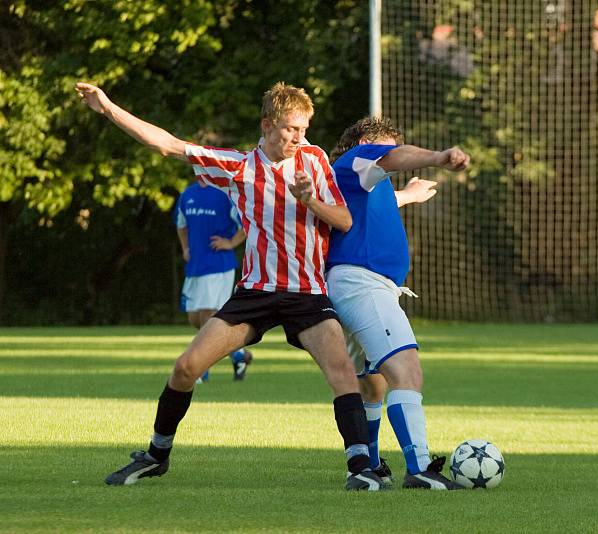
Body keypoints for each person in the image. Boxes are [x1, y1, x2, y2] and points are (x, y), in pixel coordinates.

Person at [75, 81, 384, 491]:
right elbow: (168, 145)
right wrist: (109, 108)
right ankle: (155, 456)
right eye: (291, 129)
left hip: (307, 293)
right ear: (267, 124)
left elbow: (343, 221)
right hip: (255, 293)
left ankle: (360, 468)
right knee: (186, 367)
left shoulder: (315, 159)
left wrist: (310, 200)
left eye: (304, 129)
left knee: (342, 371)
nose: (299, 137)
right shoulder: (238, 167)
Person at [325, 116, 470, 490]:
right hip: (364, 285)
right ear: (365, 144)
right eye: (386, 148)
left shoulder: (358, 182)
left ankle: (370, 466)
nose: (391, 155)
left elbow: (378, 195)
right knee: (406, 370)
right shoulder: (356, 160)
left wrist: (410, 195)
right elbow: (389, 159)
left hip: (354, 284)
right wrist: (439, 157)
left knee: (372, 383)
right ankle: (420, 467)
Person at [174, 180, 252, 382]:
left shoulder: (224, 194)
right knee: (195, 318)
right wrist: (185, 248)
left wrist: (231, 243)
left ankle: (201, 368)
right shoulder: (187, 195)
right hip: (195, 266)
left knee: (208, 313)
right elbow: (181, 225)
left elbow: (246, 224)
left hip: (219, 264)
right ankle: (238, 354)